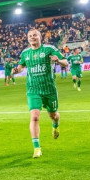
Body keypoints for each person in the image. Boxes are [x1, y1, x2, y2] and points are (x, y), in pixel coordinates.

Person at [12, 28, 68, 159]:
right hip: (33, 90)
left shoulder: (49, 49)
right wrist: (16, 70)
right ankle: (37, 148)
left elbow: (65, 62)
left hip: (49, 90)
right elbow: (21, 67)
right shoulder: (25, 53)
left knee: (53, 115)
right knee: (35, 116)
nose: (32, 37)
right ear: (27, 38)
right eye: (30, 36)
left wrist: (58, 61)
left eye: (35, 35)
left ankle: (55, 125)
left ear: (40, 37)